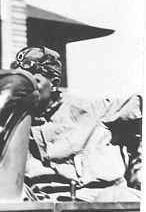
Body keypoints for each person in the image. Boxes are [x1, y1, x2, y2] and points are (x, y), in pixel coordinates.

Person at [12, 46, 141, 202]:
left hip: (96, 201)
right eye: (19, 82)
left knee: (120, 196)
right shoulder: (14, 124)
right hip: (44, 204)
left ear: (54, 84)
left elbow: (139, 105)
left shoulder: (88, 109)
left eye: (33, 81)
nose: (24, 89)